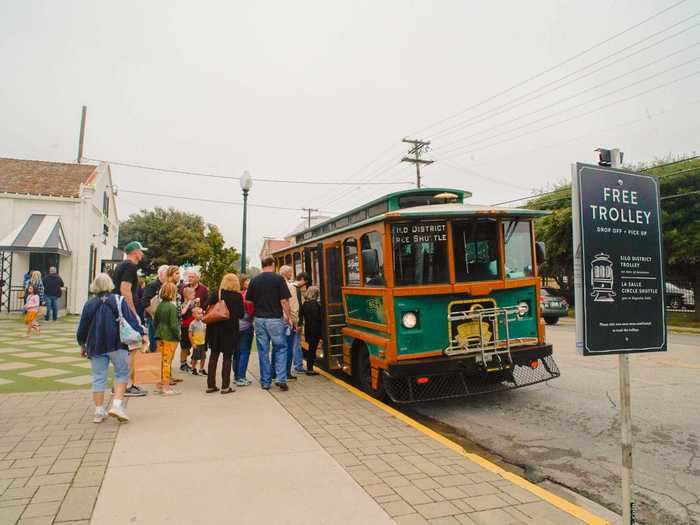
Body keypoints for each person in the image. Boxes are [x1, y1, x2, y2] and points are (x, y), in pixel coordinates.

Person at [76, 273, 145, 423]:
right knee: (122, 373)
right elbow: (131, 320)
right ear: (110, 284)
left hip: (95, 345)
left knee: (98, 377)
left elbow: (83, 328)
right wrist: (141, 333)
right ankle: (117, 405)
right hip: (117, 343)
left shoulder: (89, 304)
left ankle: (99, 411)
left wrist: (82, 343)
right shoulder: (119, 300)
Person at [246, 256, 292, 391]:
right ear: (273, 264)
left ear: (262, 265)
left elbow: (249, 301)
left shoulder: (254, 280)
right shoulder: (279, 279)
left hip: (260, 319)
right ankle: (281, 378)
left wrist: (255, 314)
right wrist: (288, 317)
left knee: (263, 351)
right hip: (275, 319)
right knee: (281, 348)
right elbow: (284, 301)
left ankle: (265, 382)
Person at [113, 241, 148, 397]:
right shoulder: (130, 266)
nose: (142, 254)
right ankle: (126, 385)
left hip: (119, 309)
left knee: (127, 349)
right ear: (135, 252)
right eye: (141, 251)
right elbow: (125, 289)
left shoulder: (121, 265)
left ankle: (124, 384)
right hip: (125, 311)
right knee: (133, 347)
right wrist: (133, 313)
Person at [205, 273, 244, 394]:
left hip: (214, 329)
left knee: (213, 356)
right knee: (227, 357)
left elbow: (206, 305)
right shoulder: (237, 297)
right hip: (230, 330)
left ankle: (211, 385)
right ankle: (225, 386)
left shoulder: (217, 293)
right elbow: (241, 314)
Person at [153, 282, 181, 395]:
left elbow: (155, 321)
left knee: (160, 360)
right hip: (169, 336)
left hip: (159, 334)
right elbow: (174, 325)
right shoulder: (172, 307)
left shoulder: (160, 306)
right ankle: (166, 387)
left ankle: (159, 384)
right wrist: (178, 336)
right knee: (167, 361)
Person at [141, 265, 168, 352]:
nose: (168, 275)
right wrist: (154, 316)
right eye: (166, 273)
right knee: (154, 343)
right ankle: (154, 363)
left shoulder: (167, 286)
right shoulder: (152, 285)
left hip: (164, 319)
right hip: (152, 319)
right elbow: (145, 303)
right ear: (160, 274)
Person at [234, 274, 254, 387]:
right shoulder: (247, 294)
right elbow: (250, 311)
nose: (249, 282)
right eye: (247, 280)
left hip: (235, 326)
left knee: (236, 353)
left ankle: (236, 375)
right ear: (242, 282)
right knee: (244, 352)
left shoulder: (236, 294)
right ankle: (241, 377)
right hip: (246, 325)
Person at [299, 286, 322, 375]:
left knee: (311, 349)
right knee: (312, 349)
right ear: (315, 294)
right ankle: (310, 368)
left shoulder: (305, 304)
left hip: (308, 328)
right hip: (315, 329)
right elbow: (318, 317)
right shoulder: (315, 304)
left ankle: (310, 367)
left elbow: (301, 315)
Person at [179, 286, 196, 372]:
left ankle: (186, 361)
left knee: (189, 345)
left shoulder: (193, 303)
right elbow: (183, 312)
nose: (194, 295)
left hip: (192, 327)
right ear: (187, 295)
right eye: (192, 294)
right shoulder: (184, 304)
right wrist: (189, 302)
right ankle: (183, 363)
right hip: (185, 327)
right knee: (184, 346)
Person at [189, 307, 207, 375]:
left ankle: (201, 369)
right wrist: (193, 343)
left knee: (203, 357)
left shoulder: (204, 322)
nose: (201, 315)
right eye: (198, 313)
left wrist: (205, 340)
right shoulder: (192, 324)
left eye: (201, 313)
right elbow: (190, 334)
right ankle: (193, 369)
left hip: (202, 343)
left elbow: (205, 332)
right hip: (196, 343)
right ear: (193, 315)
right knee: (195, 357)